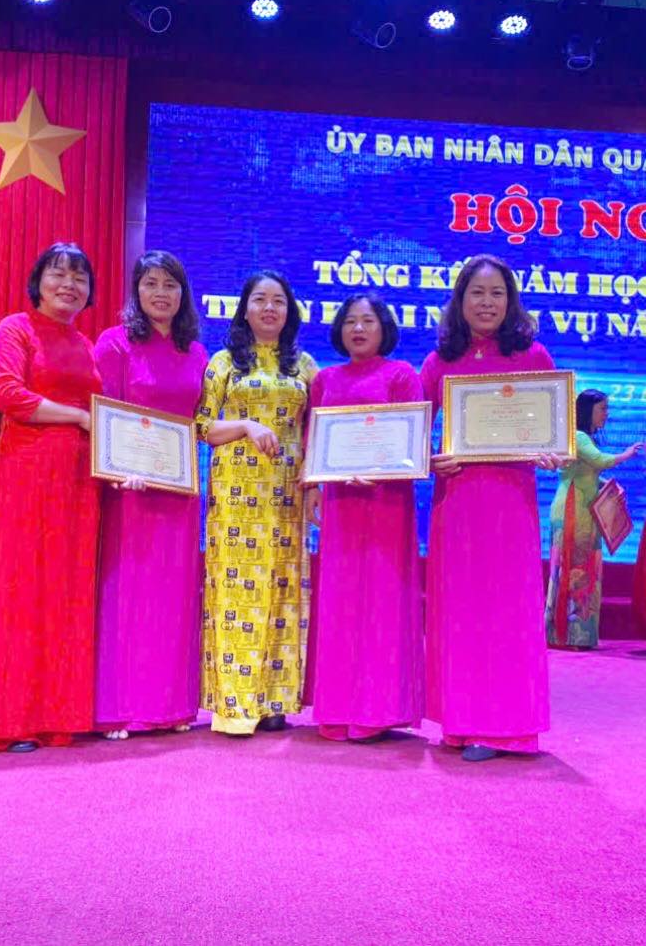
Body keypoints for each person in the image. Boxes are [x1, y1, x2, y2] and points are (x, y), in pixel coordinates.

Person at [0, 242, 101, 753]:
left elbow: (104, 414)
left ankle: (57, 716)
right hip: (27, 476)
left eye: (79, 277)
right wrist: (79, 416)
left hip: (79, 483)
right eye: (58, 274)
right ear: (38, 282)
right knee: (20, 589)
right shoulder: (15, 329)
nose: (69, 284)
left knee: (66, 592)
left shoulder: (86, 345)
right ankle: (8, 720)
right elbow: (7, 394)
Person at [420, 253, 558, 762]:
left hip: (511, 504)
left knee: (508, 610)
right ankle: (464, 722)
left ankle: (509, 728)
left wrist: (553, 450)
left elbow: (554, 432)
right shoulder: (440, 361)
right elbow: (412, 430)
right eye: (476, 293)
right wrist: (429, 459)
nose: (486, 303)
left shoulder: (533, 356)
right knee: (462, 610)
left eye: (497, 293)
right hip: (457, 503)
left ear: (510, 301)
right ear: (460, 301)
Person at [196, 270, 318, 736]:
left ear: (290, 312)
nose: (269, 308)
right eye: (260, 300)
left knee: (284, 588)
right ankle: (235, 704)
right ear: (244, 309)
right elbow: (202, 426)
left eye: (279, 301)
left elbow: (319, 431)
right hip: (236, 495)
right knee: (236, 592)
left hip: (287, 493)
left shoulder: (304, 366)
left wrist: (315, 483)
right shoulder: (224, 363)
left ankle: (274, 700)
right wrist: (246, 426)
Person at [93, 251, 208, 740]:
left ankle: (170, 706)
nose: (161, 293)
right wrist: (120, 470)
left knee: (173, 597)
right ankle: (119, 708)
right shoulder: (115, 343)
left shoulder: (196, 352)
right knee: (128, 594)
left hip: (178, 494)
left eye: (170, 285)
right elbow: (105, 412)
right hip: (130, 491)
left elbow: (199, 423)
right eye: (151, 284)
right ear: (136, 291)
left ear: (183, 294)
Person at [304, 293, 424, 742]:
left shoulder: (402, 375)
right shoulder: (325, 379)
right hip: (341, 504)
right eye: (350, 321)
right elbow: (314, 438)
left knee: (383, 600)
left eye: (368, 321)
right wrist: (312, 486)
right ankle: (337, 708)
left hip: (386, 502)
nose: (358, 328)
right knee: (340, 601)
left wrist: (380, 468)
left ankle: (378, 709)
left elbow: (412, 441)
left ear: (384, 328)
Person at [545, 390, 642, 649]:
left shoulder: (584, 439)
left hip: (583, 510)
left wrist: (607, 486)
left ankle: (576, 635)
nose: (606, 414)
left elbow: (585, 474)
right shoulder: (578, 437)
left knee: (583, 571)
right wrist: (626, 454)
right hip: (573, 510)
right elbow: (600, 461)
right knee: (573, 571)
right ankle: (567, 635)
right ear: (588, 411)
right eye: (602, 409)